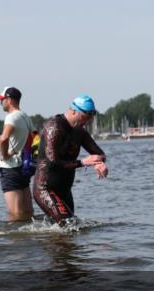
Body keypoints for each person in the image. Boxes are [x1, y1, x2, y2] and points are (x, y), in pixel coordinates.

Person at [33, 94, 108, 226]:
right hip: (45, 188)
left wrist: (99, 162)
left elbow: (99, 153)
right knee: (69, 225)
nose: (86, 123)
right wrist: (83, 162)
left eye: (89, 120)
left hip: (65, 191)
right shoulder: (54, 127)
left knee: (69, 230)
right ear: (74, 110)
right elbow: (53, 162)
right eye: (84, 118)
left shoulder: (79, 131)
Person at [0, 86, 36, 222]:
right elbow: (35, 137)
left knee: (15, 214)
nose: (1, 102)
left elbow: (4, 138)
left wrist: (5, 154)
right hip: (24, 167)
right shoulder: (25, 116)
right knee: (28, 212)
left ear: (9, 100)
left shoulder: (11, 117)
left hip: (10, 168)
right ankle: (29, 240)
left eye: (2, 99)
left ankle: (15, 241)